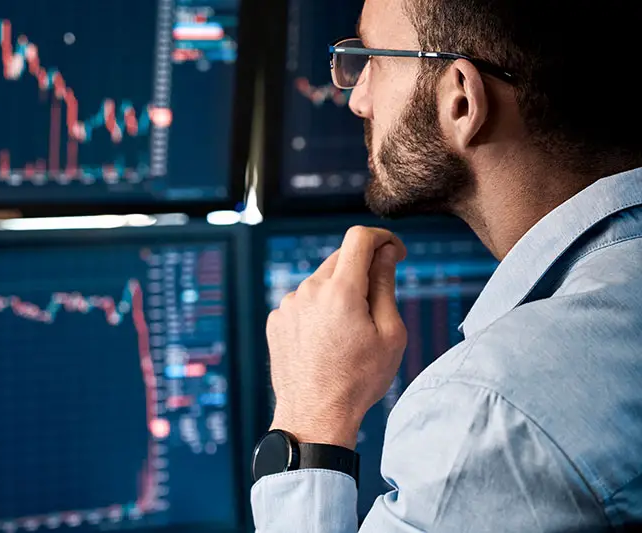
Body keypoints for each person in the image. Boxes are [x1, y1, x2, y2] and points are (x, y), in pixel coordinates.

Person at [249, 0, 642, 530]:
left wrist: (309, 423)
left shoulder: (489, 412)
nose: (358, 98)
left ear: (461, 99)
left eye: (371, 59)